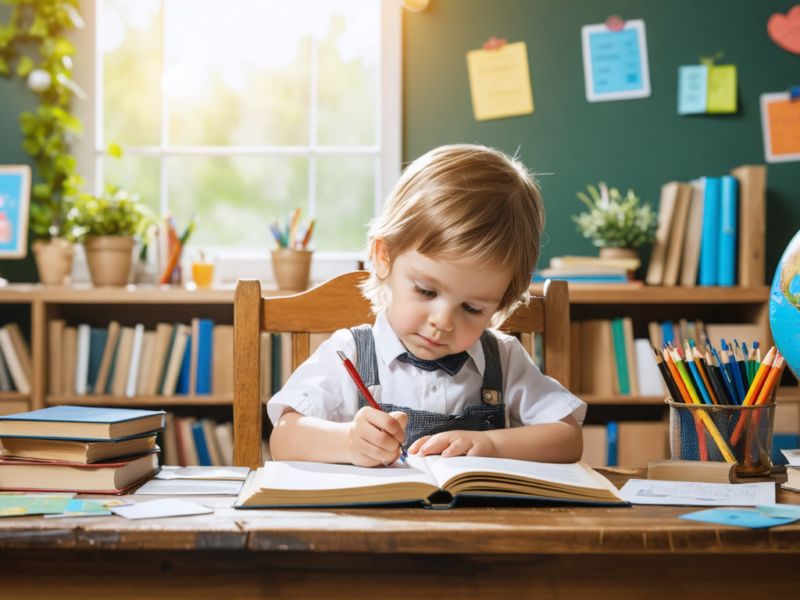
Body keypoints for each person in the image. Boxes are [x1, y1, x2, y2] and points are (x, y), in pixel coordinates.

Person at [269, 144, 585, 467]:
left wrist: (491, 443)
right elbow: (284, 436)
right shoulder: (350, 352)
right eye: (426, 291)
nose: (443, 321)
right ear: (383, 258)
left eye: (472, 309)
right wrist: (348, 441)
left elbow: (568, 438)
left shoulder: (502, 359)